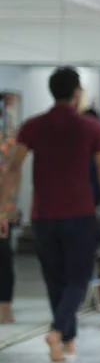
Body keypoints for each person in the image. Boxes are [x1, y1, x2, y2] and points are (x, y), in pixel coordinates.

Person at [0, 67, 100, 362]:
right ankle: (56, 332)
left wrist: (2, 208)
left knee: (55, 279)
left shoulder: (33, 125)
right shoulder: (90, 126)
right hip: (79, 213)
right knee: (78, 279)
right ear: (77, 92)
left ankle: (67, 339)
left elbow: (13, 168)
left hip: (43, 215)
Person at [0, 124, 20, 324]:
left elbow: (13, 177)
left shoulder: (8, 141)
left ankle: (4, 307)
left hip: (2, 209)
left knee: (3, 256)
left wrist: (5, 211)